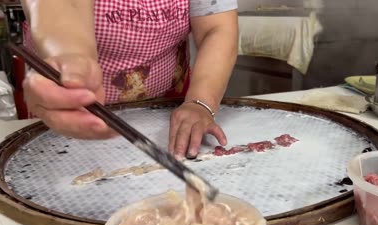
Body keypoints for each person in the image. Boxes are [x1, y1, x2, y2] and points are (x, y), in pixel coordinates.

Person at [21, 0, 238, 158]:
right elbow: (64, 7)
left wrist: (200, 102)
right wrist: (71, 61)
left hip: (165, 113)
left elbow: (216, 28)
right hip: (70, 112)